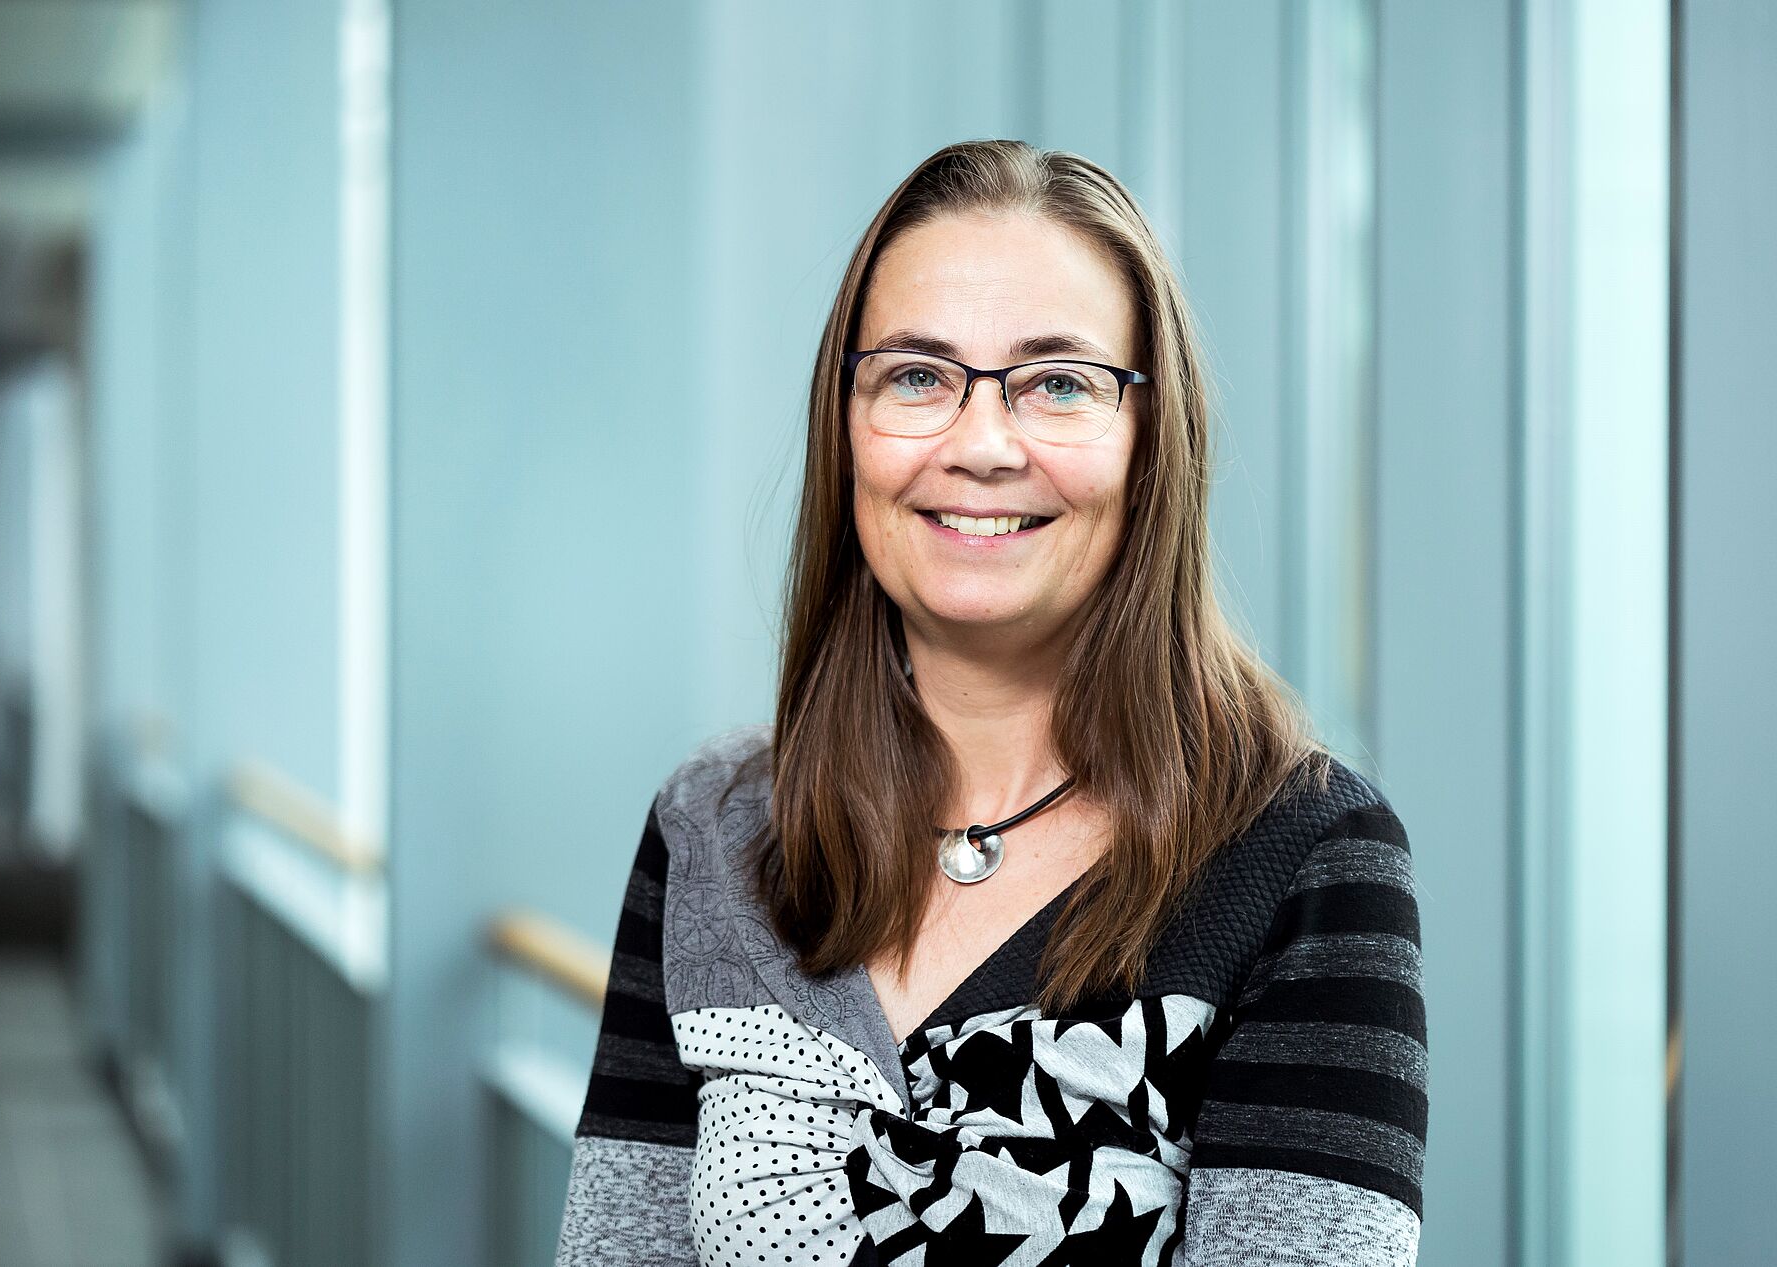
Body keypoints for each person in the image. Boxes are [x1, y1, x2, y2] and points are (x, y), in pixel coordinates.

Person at [555, 139, 1427, 1266]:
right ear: (847, 427)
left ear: (1150, 442)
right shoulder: (718, 828)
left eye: (1057, 383)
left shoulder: (1305, 858)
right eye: (917, 375)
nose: (978, 444)